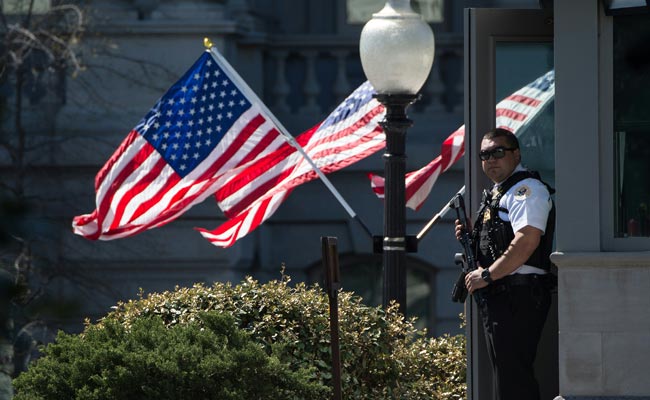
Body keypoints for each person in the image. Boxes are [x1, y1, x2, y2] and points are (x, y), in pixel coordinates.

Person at [455, 128, 555, 400]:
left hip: (518, 294)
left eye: (498, 152)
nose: (491, 159)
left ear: (516, 154)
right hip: (502, 294)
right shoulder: (500, 193)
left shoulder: (526, 190)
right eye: (484, 154)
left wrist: (487, 275)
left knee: (514, 378)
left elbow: (526, 241)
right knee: (508, 375)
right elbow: (499, 239)